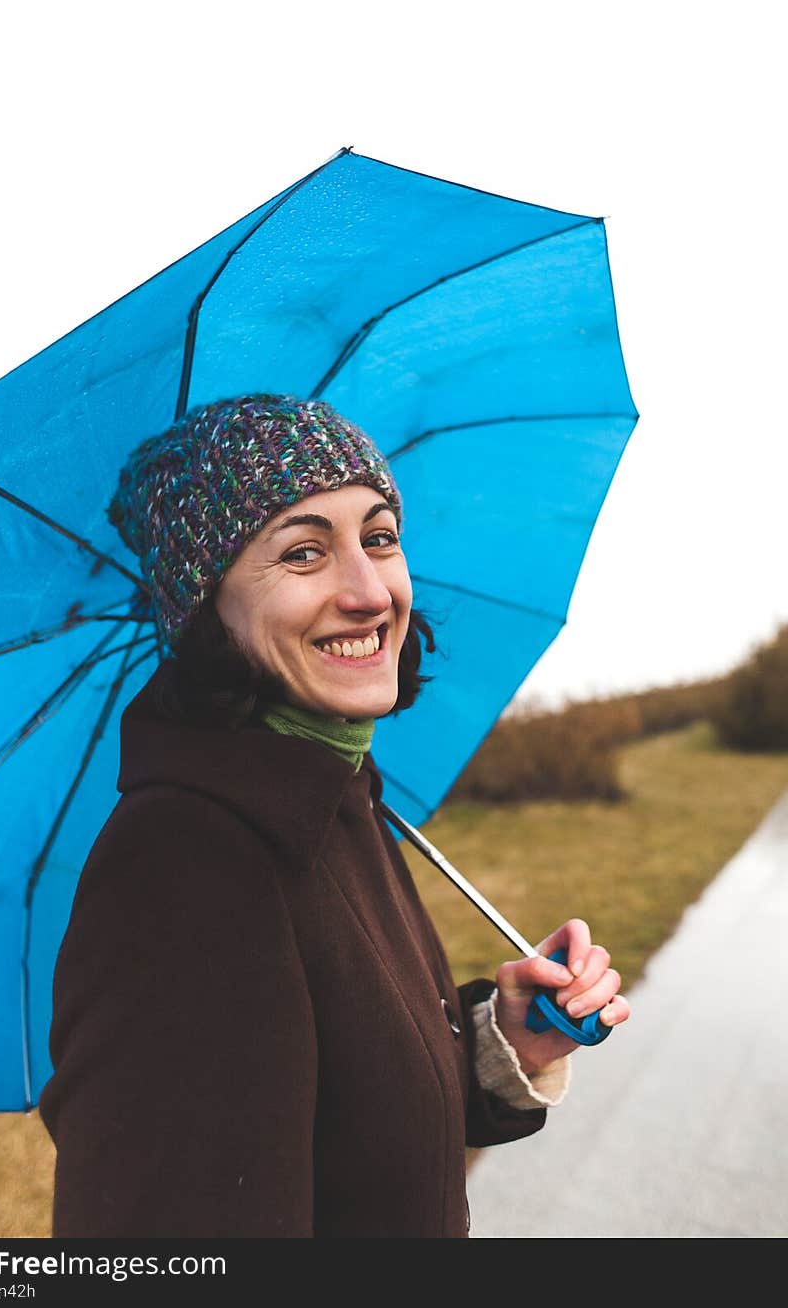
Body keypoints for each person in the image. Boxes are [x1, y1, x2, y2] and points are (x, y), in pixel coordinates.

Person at [38, 393, 629, 1238]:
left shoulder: (341, 796)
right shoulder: (184, 863)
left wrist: (504, 1043)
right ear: (208, 609)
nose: (368, 592)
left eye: (379, 537)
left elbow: (359, 1135)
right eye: (304, 552)